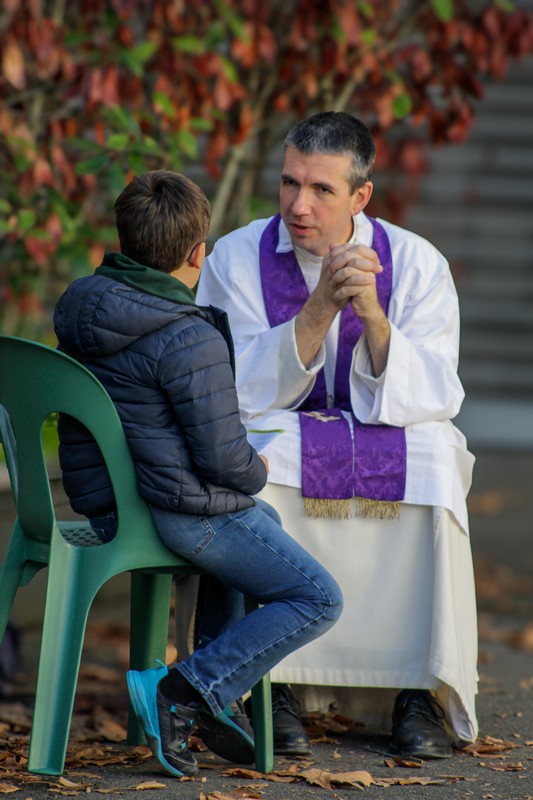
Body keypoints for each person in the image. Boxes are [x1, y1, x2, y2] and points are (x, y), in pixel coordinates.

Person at [196, 112, 478, 760]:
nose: (299, 205)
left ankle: (418, 690)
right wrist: (319, 306)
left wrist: (373, 316)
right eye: (289, 183)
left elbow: (438, 391)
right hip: (279, 428)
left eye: (321, 189)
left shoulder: (416, 263)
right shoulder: (236, 258)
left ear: (360, 196)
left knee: (436, 460)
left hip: (385, 425)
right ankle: (275, 686)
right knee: (259, 458)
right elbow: (229, 387)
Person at [53, 170, 343, 778]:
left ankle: (217, 694)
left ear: (125, 238)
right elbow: (222, 461)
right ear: (197, 254)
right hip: (172, 513)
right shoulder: (187, 334)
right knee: (318, 597)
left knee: (259, 519)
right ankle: (186, 691)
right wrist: (257, 467)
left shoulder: (80, 305)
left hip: (108, 501)